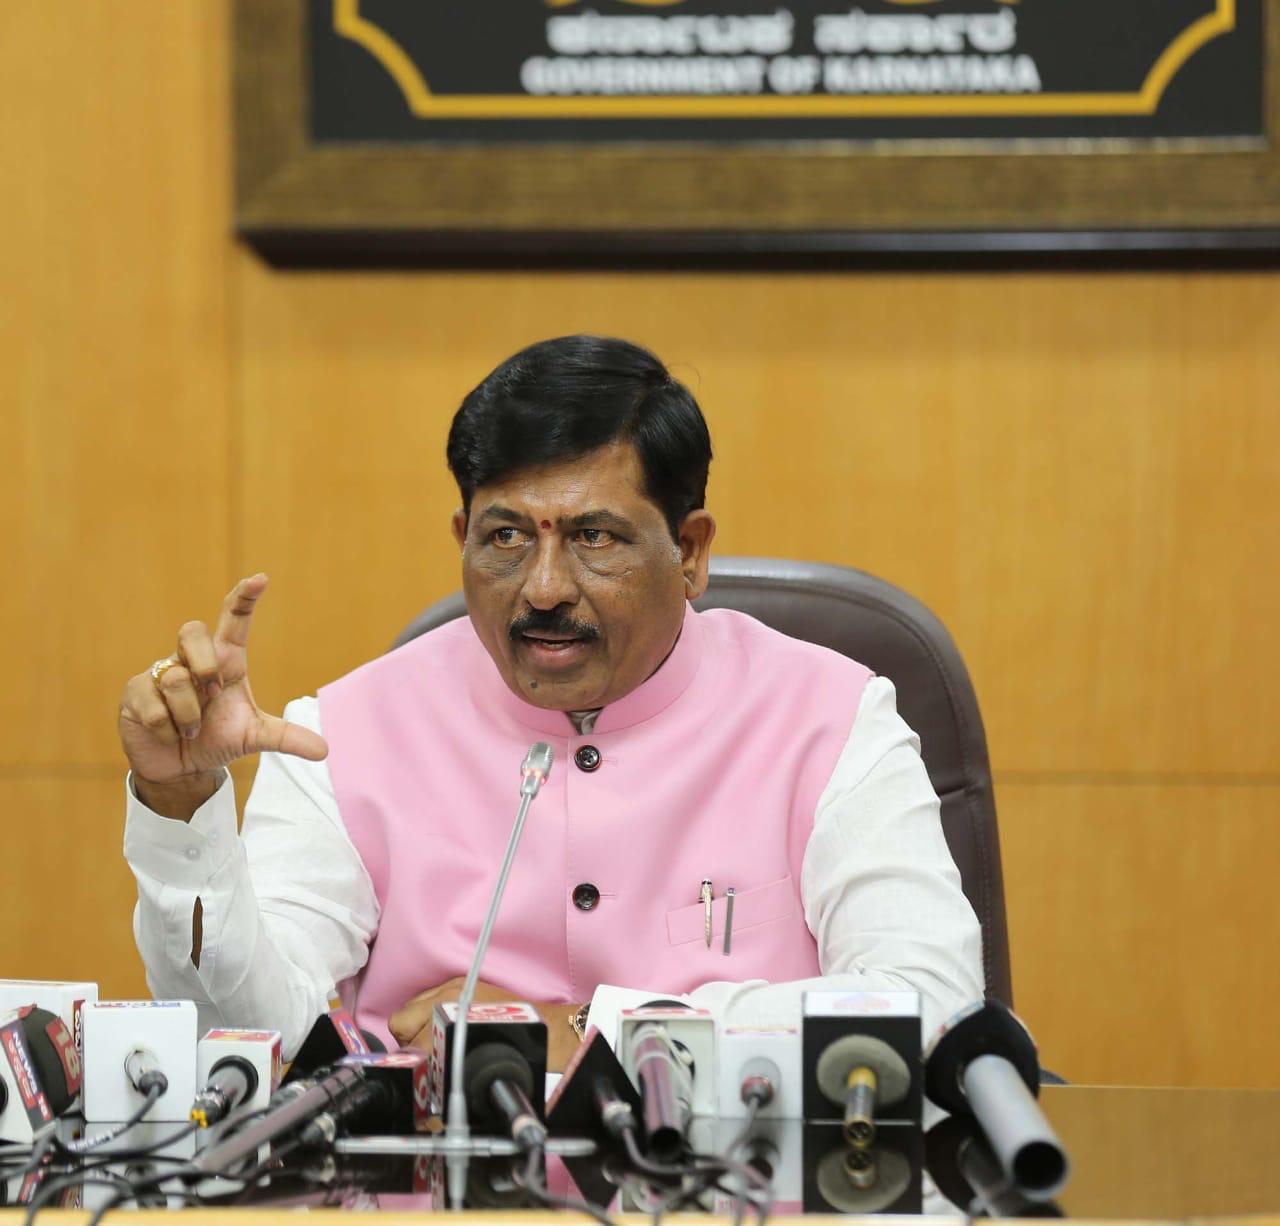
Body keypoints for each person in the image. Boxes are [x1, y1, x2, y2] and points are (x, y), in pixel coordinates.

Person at [118, 335, 982, 1067]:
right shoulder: (338, 738)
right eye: (504, 537)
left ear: (688, 551)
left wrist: (587, 1034)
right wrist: (180, 807)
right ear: (461, 540)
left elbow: (929, 1009)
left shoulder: (829, 722)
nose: (542, 589)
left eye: (593, 537)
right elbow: (245, 1038)